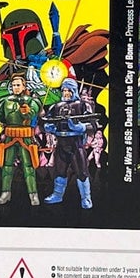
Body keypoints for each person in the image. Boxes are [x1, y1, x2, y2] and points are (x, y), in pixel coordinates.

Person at [41, 77, 102, 209]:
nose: (66, 93)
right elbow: (46, 121)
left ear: (74, 91)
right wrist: (49, 127)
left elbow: (93, 125)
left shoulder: (82, 105)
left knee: (82, 172)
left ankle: (86, 198)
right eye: (64, 90)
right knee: (59, 171)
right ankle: (57, 195)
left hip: (76, 144)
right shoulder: (56, 106)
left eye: (69, 90)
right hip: (61, 143)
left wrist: (81, 127)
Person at [0, 71, 43, 207]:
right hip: (9, 138)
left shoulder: (32, 101)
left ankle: (33, 195)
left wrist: (26, 110)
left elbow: (31, 114)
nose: (16, 87)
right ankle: (5, 193)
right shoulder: (5, 101)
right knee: (7, 167)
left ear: (24, 86)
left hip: (26, 138)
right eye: (14, 85)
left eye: (18, 85)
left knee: (29, 167)